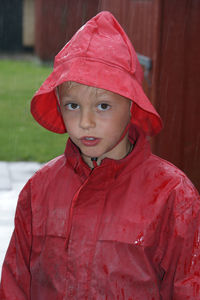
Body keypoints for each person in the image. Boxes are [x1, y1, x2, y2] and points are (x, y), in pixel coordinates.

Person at [0, 11, 200, 300]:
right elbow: (15, 285)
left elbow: (188, 287)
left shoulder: (172, 196)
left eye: (103, 106)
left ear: (133, 104)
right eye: (72, 105)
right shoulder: (39, 191)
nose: (85, 122)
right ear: (58, 103)